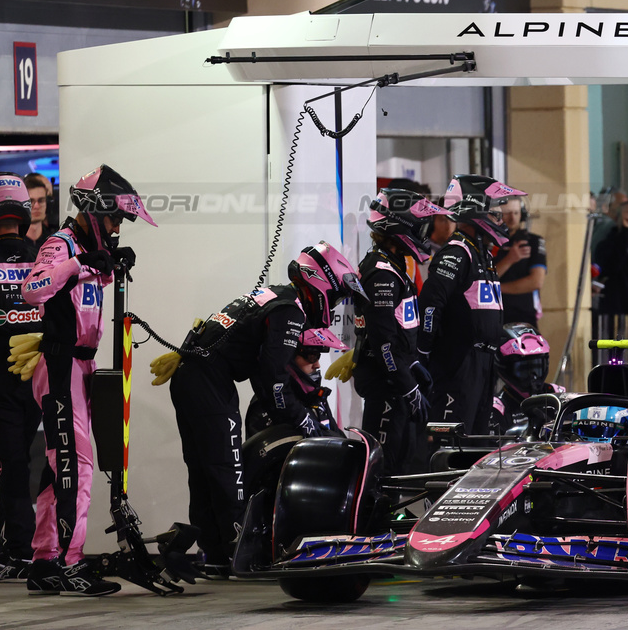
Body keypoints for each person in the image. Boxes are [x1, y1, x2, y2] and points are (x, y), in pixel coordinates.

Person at [163, 241, 364, 578]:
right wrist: (302, 417)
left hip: (194, 376)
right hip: (208, 381)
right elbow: (271, 378)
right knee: (227, 471)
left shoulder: (279, 295)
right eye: (338, 295)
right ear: (322, 283)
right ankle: (239, 555)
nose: (336, 303)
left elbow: (263, 369)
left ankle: (215, 555)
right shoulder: (291, 309)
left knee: (204, 472)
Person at [21, 165, 156, 596]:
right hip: (59, 366)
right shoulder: (60, 246)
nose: (117, 228)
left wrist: (112, 263)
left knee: (62, 466)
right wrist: (79, 263)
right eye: (115, 219)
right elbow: (33, 290)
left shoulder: (86, 248)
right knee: (76, 467)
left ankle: (45, 562)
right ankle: (68, 562)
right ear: (94, 213)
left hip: (83, 368)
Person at [419, 174, 525, 435]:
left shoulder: (484, 255)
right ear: (474, 211)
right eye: (494, 213)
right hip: (457, 366)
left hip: (483, 364)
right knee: (452, 445)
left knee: (478, 441)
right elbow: (431, 306)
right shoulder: (456, 253)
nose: (500, 219)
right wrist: (423, 355)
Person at [353, 189, 445, 474]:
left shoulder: (394, 265)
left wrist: (413, 363)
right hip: (387, 384)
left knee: (399, 462)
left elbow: (399, 330)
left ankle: (391, 514)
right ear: (400, 226)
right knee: (382, 466)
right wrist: (408, 386)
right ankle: (375, 519)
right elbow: (383, 343)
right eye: (419, 224)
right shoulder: (381, 272)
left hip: (396, 380)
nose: (424, 232)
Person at [0, 174, 42, 584]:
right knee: (25, 463)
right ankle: (33, 546)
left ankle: (19, 550)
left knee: (9, 467)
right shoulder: (45, 259)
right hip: (37, 379)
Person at [245, 327, 343, 438]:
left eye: (318, 357)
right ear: (288, 358)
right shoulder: (268, 404)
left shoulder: (316, 397)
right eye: (312, 357)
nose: (317, 365)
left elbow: (337, 438)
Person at [592, 197, 628, 339]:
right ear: (619, 218)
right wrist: (625, 233)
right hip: (616, 313)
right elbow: (611, 268)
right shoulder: (608, 244)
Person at [496, 197, 546, 327]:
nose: (512, 218)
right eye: (507, 213)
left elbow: (536, 281)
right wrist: (509, 259)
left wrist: (495, 288)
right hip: (493, 316)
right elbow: (483, 281)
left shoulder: (533, 241)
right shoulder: (487, 243)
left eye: (516, 213)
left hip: (524, 317)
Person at [23, 173, 52, 248]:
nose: (36, 206)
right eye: (30, 201)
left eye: (41, 200)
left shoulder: (56, 240)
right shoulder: (11, 243)